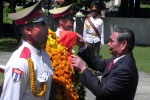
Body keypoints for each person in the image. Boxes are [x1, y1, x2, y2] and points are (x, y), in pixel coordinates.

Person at [0, 1, 53, 100]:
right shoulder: (20, 62)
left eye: (45, 23)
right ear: (27, 30)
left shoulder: (43, 54)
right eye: (41, 24)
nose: (47, 27)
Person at [71, 27, 139, 100]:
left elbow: (102, 91)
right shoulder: (118, 58)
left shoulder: (125, 69)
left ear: (123, 44)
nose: (108, 44)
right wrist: (83, 46)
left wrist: (83, 69)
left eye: (111, 41)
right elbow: (97, 63)